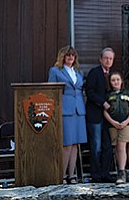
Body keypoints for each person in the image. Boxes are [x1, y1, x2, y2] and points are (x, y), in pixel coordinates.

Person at [48, 46, 87, 184]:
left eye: (73, 55)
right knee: (67, 144)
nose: (71, 57)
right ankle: (62, 175)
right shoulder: (55, 71)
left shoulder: (78, 72)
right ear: (63, 56)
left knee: (75, 144)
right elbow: (51, 91)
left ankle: (72, 175)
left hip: (79, 110)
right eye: (68, 55)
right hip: (65, 110)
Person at [85, 47, 115, 182]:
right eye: (106, 58)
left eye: (110, 58)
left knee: (107, 146)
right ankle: (96, 175)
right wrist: (102, 102)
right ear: (100, 59)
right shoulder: (94, 72)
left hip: (108, 117)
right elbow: (89, 92)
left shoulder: (112, 75)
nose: (108, 60)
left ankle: (105, 174)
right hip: (95, 115)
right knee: (96, 146)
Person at [103, 71, 129, 184]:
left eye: (117, 79)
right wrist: (113, 122)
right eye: (113, 80)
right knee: (116, 147)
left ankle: (121, 173)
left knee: (121, 146)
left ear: (121, 81)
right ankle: (119, 171)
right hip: (113, 125)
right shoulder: (108, 95)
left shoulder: (128, 93)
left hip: (125, 125)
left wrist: (126, 122)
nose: (115, 82)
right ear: (110, 82)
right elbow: (105, 112)